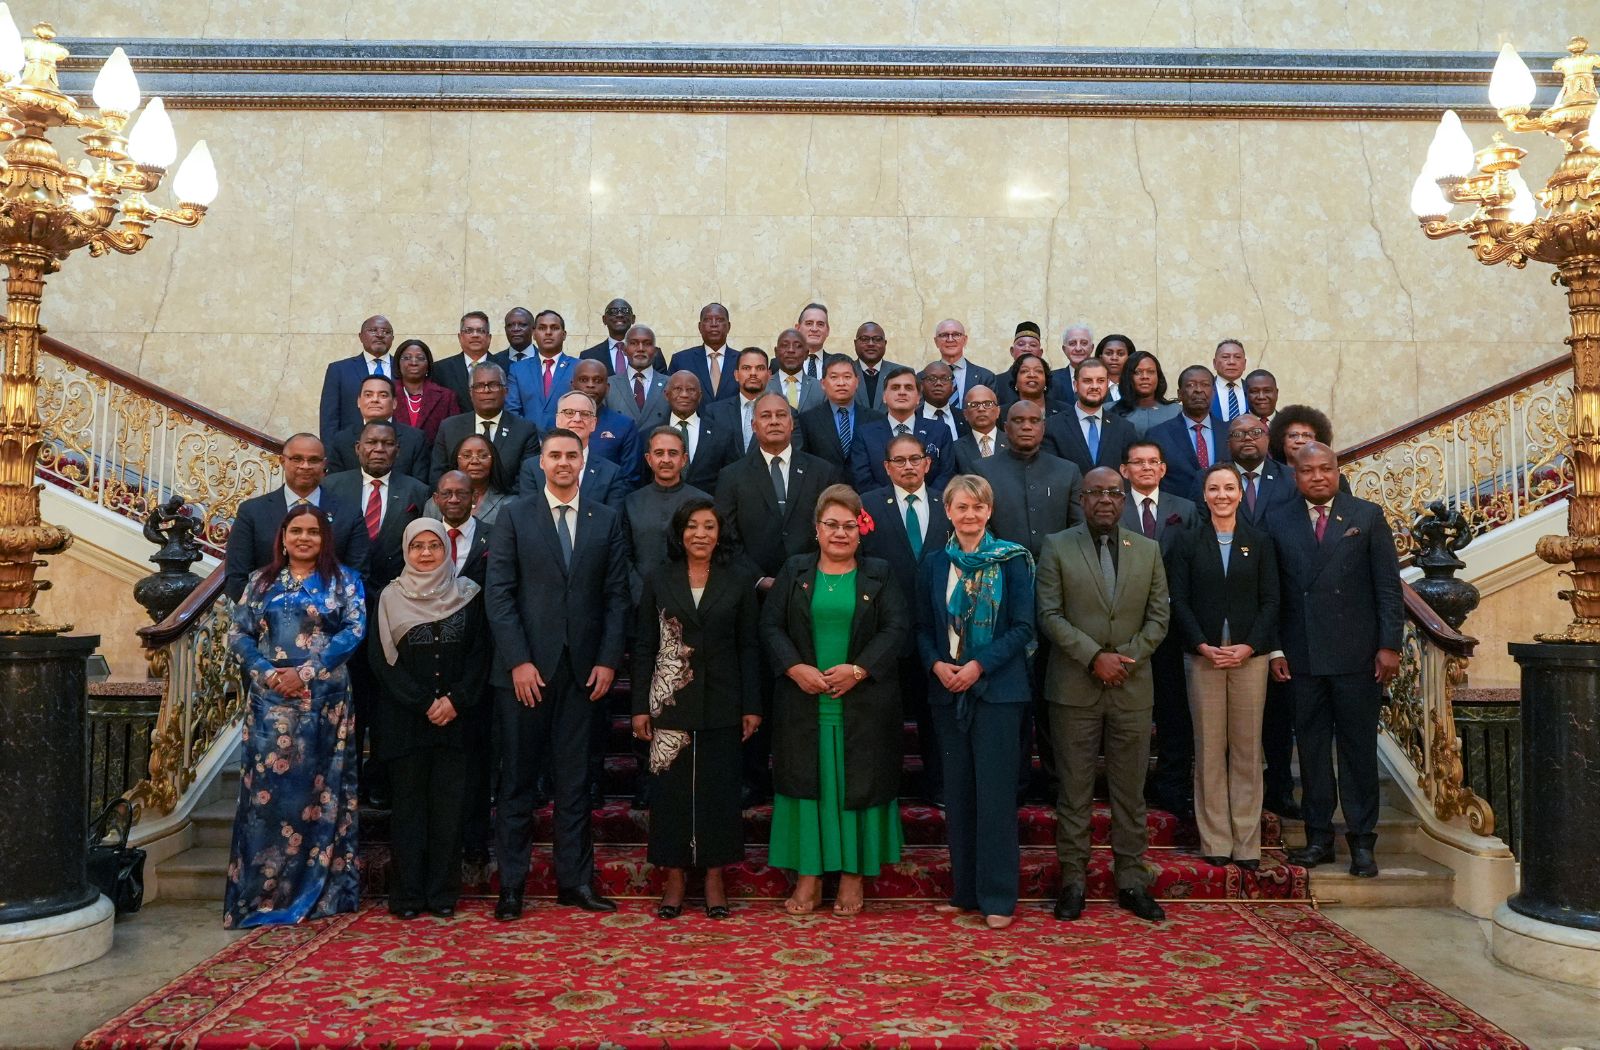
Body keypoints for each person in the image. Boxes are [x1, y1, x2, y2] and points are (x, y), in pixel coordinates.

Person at [486, 429, 631, 919]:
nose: (564, 462)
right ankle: (512, 888)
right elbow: (499, 595)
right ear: (541, 463)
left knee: (575, 783)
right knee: (518, 785)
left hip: (582, 673)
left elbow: (615, 597)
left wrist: (609, 659)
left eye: (572, 455)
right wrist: (519, 661)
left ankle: (575, 883)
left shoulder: (605, 518)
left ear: (583, 460)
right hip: (524, 675)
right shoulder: (513, 515)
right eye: (556, 455)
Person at [761, 484, 909, 916]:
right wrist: (794, 668)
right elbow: (771, 627)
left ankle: (852, 877)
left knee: (857, 787)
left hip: (862, 706)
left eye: (849, 525)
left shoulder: (879, 573)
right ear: (816, 529)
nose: (840, 533)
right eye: (831, 525)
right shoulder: (794, 570)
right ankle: (808, 876)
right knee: (808, 787)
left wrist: (858, 670)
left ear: (861, 530)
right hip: (804, 704)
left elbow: (896, 629)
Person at [1035, 466, 1170, 923]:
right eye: (1096, 493)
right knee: (1073, 792)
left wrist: (1125, 658)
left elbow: (1159, 618)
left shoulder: (1148, 550)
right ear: (1082, 500)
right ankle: (1073, 879)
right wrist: (1095, 657)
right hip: (1074, 688)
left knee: (1130, 794)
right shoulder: (1056, 546)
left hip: (1132, 689)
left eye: (1114, 492)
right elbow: (1049, 615)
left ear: (1125, 499)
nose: (1106, 500)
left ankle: (1131, 878)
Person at [223, 503, 366, 928]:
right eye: (296, 531)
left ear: (325, 539)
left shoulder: (345, 581)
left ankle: (323, 892)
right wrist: (268, 674)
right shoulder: (260, 582)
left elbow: (354, 630)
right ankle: (263, 896)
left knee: (323, 794)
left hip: (326, 702)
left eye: (313, 532)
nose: (305, 538)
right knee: (268, 801)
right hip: (270, 707)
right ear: (283, 538)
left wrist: (304, 671)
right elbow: (239, 634)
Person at [1268, 442, 1403, 879]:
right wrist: (1275, 648)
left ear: (1337, 469)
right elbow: (1272, 596)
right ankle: (1319, 839)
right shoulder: (1278, 520)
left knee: (1358, 752)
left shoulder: (1366, 516)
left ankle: (1362, 843)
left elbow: (1387, 588)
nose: (1318, 477)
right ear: (1296, 475)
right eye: (1308, 471)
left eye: (1325, 468)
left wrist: (1390, 645)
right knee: (1310, 753)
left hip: (1357, 657)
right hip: (1301, 657)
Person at [632, 499, 762, 919]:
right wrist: (638, 707)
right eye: (693, 526)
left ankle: (713, 877)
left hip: (724, 699)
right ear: (680, 532)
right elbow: (644, 646)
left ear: (720, 533)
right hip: (669, 700)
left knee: (719, 790)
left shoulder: (739, 580)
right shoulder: (658, 578)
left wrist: (752, 704)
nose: (701, 534)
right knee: (670, 793)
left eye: (709, 526)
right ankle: (673, 878)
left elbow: (748, 645)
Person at [915, 473, 1034, 928]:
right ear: (948, 512)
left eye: (978, 507)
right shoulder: (932, 564)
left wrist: (978, 666)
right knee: (959, 795)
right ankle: (965, 892)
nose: (969, 515)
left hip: (998, 692)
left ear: (989, 512)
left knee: (996, 797)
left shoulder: (1012, 562)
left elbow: (1023, 627)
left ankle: (999, 898)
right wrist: (937, 666)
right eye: (961, 507)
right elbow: (923, 628)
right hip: (947, 691)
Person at [368, 519, 487, 918]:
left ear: (447, 551)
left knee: (448, 812)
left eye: (433, 546)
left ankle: (441, 896)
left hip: (458, 721)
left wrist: (455, 700)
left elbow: (480, 656)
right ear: (405, 550)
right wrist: (423, 703)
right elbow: (383, 662)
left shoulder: (470, 594)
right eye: (416, 545)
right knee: (408, 812)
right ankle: (407, 897)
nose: (424, 553)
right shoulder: (389, 598)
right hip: (406, 723)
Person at [1167, 463, 1280, 869]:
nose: (1222, 495)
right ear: (1204, 494)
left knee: (1248, 750)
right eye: (1214, 488)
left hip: (1250, 658)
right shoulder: (1186, 541)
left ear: (1239, 493)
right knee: (1210, 749)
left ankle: (1247, 844)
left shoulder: (1261, 541)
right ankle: (1215, 840)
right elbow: (1177, 600)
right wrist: (1201, 644)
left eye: (1229, 488)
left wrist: (1250, 646)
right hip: (1204, 658)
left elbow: (1272, 601)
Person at [859, 433, 951, 805]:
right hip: (885, 632)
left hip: (939, 632)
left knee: (936, 717)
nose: (909, 466)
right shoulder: (867, 506)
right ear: (887, 467)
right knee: (884, 717)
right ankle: (887, 789)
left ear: (928, 464)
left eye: (916, 459)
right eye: (900, 460)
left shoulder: (948, 505)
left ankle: (939, 787)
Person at [1119, 440, 1201, 817]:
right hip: (1125, 625)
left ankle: (1171, 783)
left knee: (1174, 709)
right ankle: (1127, 783)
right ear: (1125, 470)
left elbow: (1195, 563)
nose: (1147, 468)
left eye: (1154, 461)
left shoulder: (1183, 508)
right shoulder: (1113, 508)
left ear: (1164, 469)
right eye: (1139, 462)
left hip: (1173, 627)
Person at [425, 470, 494, 866]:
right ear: (436, 497)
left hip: (477, 661)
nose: (453, 499)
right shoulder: (423, 539)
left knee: (476, 760)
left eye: (461, 493)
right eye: (446, 493)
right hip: (431, 663)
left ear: (475, 499)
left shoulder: (494, 537)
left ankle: (475, 842)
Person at [224, 433, 368, 602]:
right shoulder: (252, 511)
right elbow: (236, 577)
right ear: (282, 461)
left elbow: (358, 576)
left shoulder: (349, 513)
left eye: (313, 460)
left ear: (324, 464)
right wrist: (267, 618)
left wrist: (321, 618)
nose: (305, 466)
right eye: (297, 459)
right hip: (263, 621)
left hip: (328, 622)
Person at [624, 427, 710, 601]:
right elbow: (624, 556)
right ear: (649, 459)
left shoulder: (704, 502)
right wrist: (641, 594)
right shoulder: (631, 502)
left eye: (672, 453)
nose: (665, 459)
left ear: (684, 459)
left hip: (691, 598)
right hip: (640, 599)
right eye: (659, 453)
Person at [429, 361, 540, 491]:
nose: (486, 390)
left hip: (507, 506)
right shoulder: (449, 428)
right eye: (479, 386)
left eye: (493, 385)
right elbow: (439, 476)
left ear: (506, 391)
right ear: (470, 392)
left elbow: (526, 481)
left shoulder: (524, 430)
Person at [516, 391, 630, 511]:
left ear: (593, 423)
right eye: (569, 413)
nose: (577, 419)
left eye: (585, 414)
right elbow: (528, 516)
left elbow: (612, 523)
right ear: (557, 420)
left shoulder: (611, 473)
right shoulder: (532, 467)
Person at [849, 366, 954, 493]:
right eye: (895, 387)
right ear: (884, 397)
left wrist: (923, 500)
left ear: (918, 398)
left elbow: (946, 473)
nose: (902, 392)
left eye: (908, 388)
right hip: (881, 508)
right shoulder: (865, 434)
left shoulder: (940, 430)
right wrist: (895, 502)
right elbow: (862, 479)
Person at [1147, 365, 1230, 498]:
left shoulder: (1229, 432)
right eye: (1191, 385)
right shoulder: (1158, 435)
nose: (1198, 390)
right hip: (1177, 513)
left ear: (1213, 392)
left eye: (1205, 385)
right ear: (1180, 394)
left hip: (1223, 507)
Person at [1044, 357, 1137, 475]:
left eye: (1100, 380)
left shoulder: (1124, 428)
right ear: (1075, 385)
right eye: (1087, 381)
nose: (1094, 386)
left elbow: (1130, 473)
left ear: (1107, 384)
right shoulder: (1052, 426)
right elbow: (1050, 473)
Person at [325, 375, 429, 479]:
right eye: (368, 395)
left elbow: (420, 487)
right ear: (358, 401)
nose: (375, 400)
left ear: (394, 403)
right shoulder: (341, 439)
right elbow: (334, 485)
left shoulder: (415, 438)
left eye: (383, 395)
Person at [644, 370, 726, 491]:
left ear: (700, 395)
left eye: (691, 390)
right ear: (667, 395)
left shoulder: (720, 433)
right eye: (677, 389)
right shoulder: (647, 434)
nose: (684, 395)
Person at [318, 314, 394, 443]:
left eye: (386, 332)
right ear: (361, 336)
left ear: (392, 338)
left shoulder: (404, 368)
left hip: (396, 446)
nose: (380, 335)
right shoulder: (339, 370)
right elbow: (329, 419)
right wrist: (332, 455)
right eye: (373, 330)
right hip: (350, 447)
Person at [798, 357, 882, 472]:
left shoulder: (876, 419)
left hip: (866, 489)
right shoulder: (807, 420)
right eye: (834, 377)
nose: (841, 383)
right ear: (823, 383)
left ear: (857, 382)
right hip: (824, 488)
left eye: (847, 377)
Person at [571, 359, 642, 487]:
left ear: (607, 388)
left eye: (597, 380)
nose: (590, 385)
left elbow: (630, 478)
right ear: (573, 385)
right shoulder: (558, 423)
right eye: (584, 380)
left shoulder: (624, 426)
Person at [505, 309, 577, 428]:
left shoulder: (578, 367)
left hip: (567, 440)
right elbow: (512, 411)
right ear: (534, 334)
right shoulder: (518, 369)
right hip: (529, 442)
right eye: (542, 328)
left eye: (554, 328)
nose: (548, 332)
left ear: (564, 335)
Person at [432, 310, 508, 414]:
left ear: (489, 338)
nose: (475, 335)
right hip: (455, 428)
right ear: (460, 337)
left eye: (481, 330)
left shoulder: (506, 366)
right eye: (469, 331)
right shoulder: (440, 370)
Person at [1227, 415, 1297, 525]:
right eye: (1238, 434)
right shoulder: (1209, 479)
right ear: (1228, 443)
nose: (1248, 438)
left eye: (1255, 432)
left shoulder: (1290, 478)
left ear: (1268, 439)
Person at [392, 338, 460, 444]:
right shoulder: (387, 394)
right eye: (407, 358)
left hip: (433, 458)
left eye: (420, 358)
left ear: (428, 365)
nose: (413, 362)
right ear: (398, 364)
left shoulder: (446, 396)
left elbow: (454, 434)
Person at [668, 303, 738, 403]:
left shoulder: (742, 361)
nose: (714, 324)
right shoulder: (681, 360)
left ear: (729, 326)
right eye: (708, 320)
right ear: (699, 327)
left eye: (720, 320)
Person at [580, 297, 666, 374]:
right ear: (604, 319)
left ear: (633, 319)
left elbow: (662, 387)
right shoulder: (588, 356)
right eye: (613, 311)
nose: (619, 315)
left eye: (625, 311)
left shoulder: (654, 354)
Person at [608, 324, 671, 423]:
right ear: (624, 350)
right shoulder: (609, 385)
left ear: (655, 351)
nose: (640, 349)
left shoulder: (670, 384)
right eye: (633, 343)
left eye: (647, 343)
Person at [1112, 350, 1181, 436]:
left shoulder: (1176, 411)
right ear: (1128, 377)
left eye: (1151, 372)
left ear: (1158, 377)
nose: (1145, 377)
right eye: (1138, 372)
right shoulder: (1109, 410)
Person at [931, 319, 996, 409]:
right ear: (936, 341)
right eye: (944, 335)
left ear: (965, 340)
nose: (950, 339)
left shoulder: (985, 377)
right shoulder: (924, 377)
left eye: (956, 334)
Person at [450, 434, 511, 526]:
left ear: (493, 461)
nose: (475, 461)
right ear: (456, 461)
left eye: (483, 456)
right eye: (467, 456)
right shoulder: (437, 504)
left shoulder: (509, 504)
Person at [950, 384, 1006, 472]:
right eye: (974, 405)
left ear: (998, 411)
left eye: (987, 404)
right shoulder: (955, 449)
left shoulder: (1012, 443)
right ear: (965, 414)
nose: (981, 409)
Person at [851, 321, 903, 412]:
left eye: (877, 339)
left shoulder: (901, 374)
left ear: (885, 343)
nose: (871, 344)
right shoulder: (844, 374)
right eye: (864, 339)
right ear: (855, 343)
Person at [769, 327, 823, 412]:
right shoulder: (764, 386)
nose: (791, 350)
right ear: (776, 352)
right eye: (785, 345)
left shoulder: (820, 388)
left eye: (798, 346)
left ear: (806, 354)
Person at [999, 352, 1067, 415]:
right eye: (1024, 371)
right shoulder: (1001, 414)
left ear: (1046, 380)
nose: (1032, 375)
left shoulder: (1065, 411)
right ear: (1016, 381)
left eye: (1038, 371)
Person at [1210, 339, 1250, 423]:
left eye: (1237, 357)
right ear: (1214, 363)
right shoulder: (1205, 389)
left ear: (1245, 364)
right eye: (1225, 357)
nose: (1231, 362)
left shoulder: (1253, 389)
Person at [796, 302, 833, 379]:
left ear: (828, 331)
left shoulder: (836, 364)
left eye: (820, 324)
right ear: (798, 328)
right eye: (809, 323)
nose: (814, 329)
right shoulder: (779, 364)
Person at [1093, 334, 1133, 403]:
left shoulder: (1137, 387)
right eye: (1108, 353)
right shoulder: (1091, 388)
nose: (1114, 358)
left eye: (1120, 354)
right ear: (1100, 357)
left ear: (1129, 357)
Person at [1052, 323, 1092, 391]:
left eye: (1084, 343)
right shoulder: (1051, 379)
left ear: (1091, 348)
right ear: (1064, 349)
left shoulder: (1103, 378)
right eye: (1072, 343)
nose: (1078, 348)